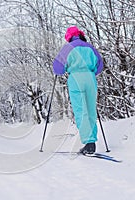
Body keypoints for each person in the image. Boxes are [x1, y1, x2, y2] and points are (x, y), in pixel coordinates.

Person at [53, 26, 103, 154]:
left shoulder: (68, 48)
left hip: (76, 78)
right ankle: (91, 140)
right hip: (90, 79)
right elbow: (100, 65)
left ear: (69, 37)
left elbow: (58, 68)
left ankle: (88, 142)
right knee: (91, 109)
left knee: (81, 110)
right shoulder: (89, 47)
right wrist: (90, 72)